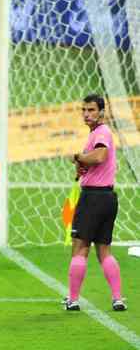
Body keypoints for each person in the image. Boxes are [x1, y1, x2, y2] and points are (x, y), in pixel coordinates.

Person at [64, 94, 126, 312]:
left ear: (101, 111)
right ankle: (118, 298)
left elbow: (99, 157)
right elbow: (96, 162)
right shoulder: (98, 134)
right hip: (107, 198)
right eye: (84, 110)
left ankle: (72, 299)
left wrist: (77, 157)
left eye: (91, 110)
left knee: (80, 248)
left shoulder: (102, 133)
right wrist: (82, 166)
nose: (86, 114)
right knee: (104, 252)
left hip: (93, 198)